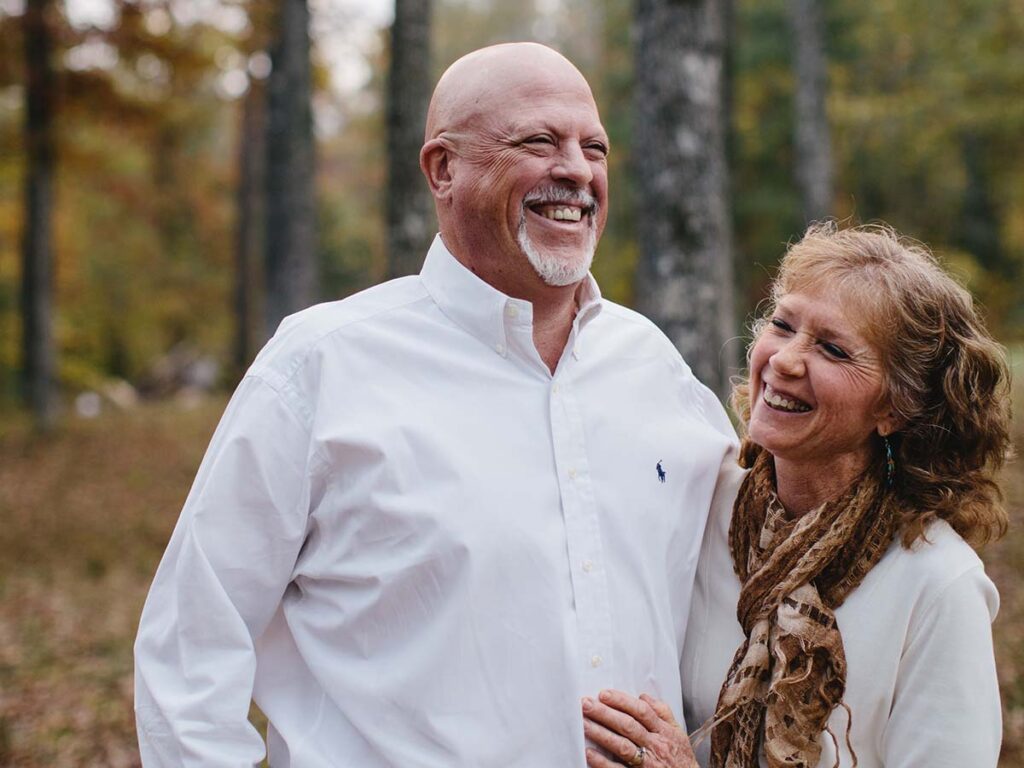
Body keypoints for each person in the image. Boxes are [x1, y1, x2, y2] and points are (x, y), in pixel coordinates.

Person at [133, 43, 737, 766]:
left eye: (595, 148)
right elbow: (191, 643)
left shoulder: (656, 371)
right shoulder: (321, 367)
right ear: (442, 169)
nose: (576, 169)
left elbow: (737, 612)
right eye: (539, 141)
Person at [582, 223, 1010, 768]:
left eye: (832, 349)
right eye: (782, 326)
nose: (784, 360)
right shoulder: (700, 507)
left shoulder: (938, 584)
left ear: (895, 408)